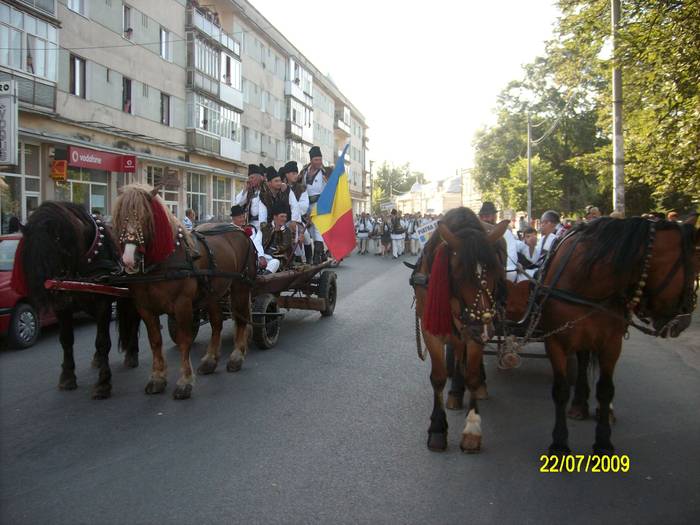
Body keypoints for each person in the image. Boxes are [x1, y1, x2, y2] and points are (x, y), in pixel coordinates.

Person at [478, 201, 522, 282]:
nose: (484, 219)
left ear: (495, 216)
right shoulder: (477, 234)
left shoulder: (505, 233)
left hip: (504, 272)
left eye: (487, 216)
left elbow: (510, 262)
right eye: (481, 216)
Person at [300, 145, 328, 263]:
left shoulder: (324, 173)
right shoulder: (304, 171)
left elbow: (330, 189)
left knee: (317, 227)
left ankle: (317, 255)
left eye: (320, 159)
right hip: (305, 203)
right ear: (311, 160)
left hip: (319, 203)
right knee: (308, 229)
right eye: (316, 160)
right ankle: (318, 253)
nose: (319, 162)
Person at [282, 161, 310, 263]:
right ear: (286, 174)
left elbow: (303, 206)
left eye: (296, 173)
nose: (295, 176)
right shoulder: (281, 187)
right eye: (292, 173)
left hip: (297, 220)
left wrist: (293, 208)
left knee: (306, 236)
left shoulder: (302, 188)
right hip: (282, 219)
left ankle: (308, 259)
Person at [257, 201, 293, 274]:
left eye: (285, 217)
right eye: (282, 216)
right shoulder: (265, 228)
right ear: (275, 217)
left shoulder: (287, 232)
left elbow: (283, 248)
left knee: (275, 263)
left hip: (277, 259)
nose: (284, 219)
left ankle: (263, 277)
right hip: (261, 257)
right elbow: (257, 242)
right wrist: (261, 256)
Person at [235, 164, 266, 230]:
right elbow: (238, 203)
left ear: (260, 178)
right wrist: (245, 189)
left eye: (252, 178)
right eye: (249, 178)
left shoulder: (266, 190)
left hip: (263, 224)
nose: (250, 180)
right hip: (251, 224)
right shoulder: (250, 191)